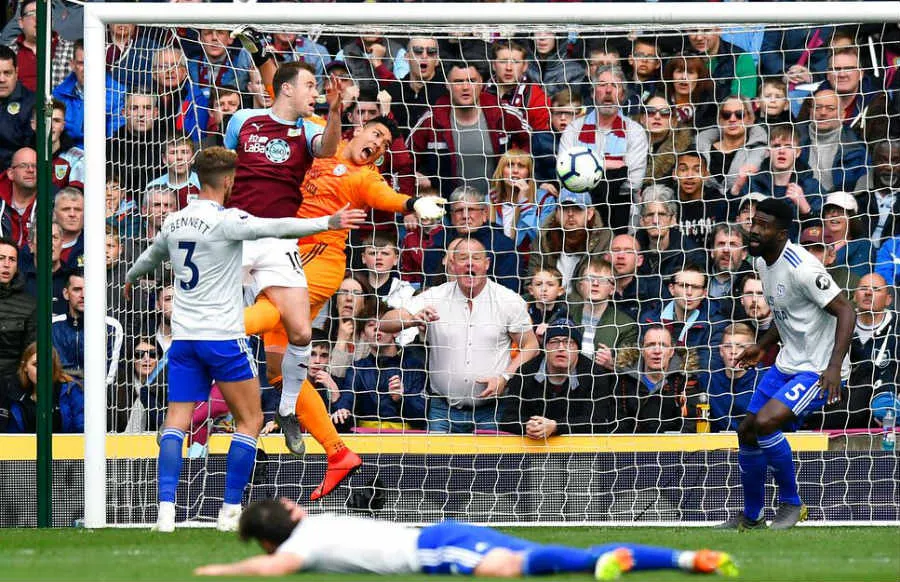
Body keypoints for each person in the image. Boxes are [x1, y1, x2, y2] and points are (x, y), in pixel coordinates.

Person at [123, 147, 366, 532]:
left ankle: (165, 513)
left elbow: (151, 257)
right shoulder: (228, 221)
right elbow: (278, 228)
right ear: (230, 182)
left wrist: (131, 277)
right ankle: (229, 511)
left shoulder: (174, 220)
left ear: (196, 179)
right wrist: (330, 221)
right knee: (249, 421)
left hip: (184, 341)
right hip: (222, 338)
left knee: (175, 423)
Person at [718, 198, 856, 530]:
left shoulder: (803, 267)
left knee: (766, 423)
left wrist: (834, 368)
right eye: (754, 223)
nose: (753, 231)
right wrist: (762, 346)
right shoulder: (764, 263)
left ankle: (793, 504)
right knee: (746, 432)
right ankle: (752, 516)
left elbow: (846, 311)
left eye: (763, 226)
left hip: (818, 369)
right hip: (787, 362)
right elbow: (788, 312)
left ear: (781, 233)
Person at [193, 497, 737, 579]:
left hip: (431, 549)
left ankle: (597, 566)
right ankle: (687, 558)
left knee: (507, 567)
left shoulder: (299, 547)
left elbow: (271, 568)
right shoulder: (311, 528)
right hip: (443, 532)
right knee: (534, 558)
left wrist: (215, 570)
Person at [381, 237, 539, 433]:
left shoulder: (508, 300)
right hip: (442, 411)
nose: (470, 264)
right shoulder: (434, 296)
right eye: (463, 258)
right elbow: (385, 323)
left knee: (491, 464)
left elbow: (531, 345)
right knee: (437, 464)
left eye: (476, 258)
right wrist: (413, 319)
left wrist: (505, 377)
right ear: (453, 265)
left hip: (492, 411)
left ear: (487, 264)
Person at [407, 61, 531, 197]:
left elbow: (532, 143)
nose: (465, 87)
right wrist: (418, 178)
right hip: (449, 209)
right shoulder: (431, 121)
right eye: (458, 81)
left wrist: (527, 174)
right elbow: (403, 161)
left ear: (481, 83)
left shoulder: (503, 114)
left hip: (497, 209)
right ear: (447, 85)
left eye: (471, 81)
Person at [559, 64, 648, 232]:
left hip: (621, 210)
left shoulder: (635, 132)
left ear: (622, 95)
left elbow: (633, 182)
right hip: (579, 210)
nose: (608, 90)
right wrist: (610, 166)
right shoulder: (573, 129)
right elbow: (565, 175)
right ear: (593, 93)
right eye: (601, 84)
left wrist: (586, 169)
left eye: (615, 85)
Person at [499, 319, 616, 437]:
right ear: (545, 347)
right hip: (533, 445)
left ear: (578, 349)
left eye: (568, 342)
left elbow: (598, 422)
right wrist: (529, 426)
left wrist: (556, 426)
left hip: (579, 448)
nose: (561, 348)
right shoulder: (526, 372)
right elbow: (507, 419)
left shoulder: (595, 374)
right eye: (554, 341)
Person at [613, 325, 701, 434]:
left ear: (672, 351)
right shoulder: (624, 379)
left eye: (663, 345)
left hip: (674, 448)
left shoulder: (686, 379)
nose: (657, 351)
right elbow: (619, 424)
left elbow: (689, 424)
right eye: (650, 345)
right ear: (642, 350)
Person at [3, 343, 83, 433]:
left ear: (54, 367)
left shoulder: (70, 391)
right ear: (25, 367)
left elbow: (83, 430)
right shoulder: (15, 395)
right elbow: (11, 438)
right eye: (36, 365)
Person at [0, 237, 34, 384]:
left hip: (12, 385)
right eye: (1, 258)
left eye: (12, 260)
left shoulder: (30, 305)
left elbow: (31, 353)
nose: (6, 265)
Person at [0, 46, 35, 172]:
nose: (1, 79)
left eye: (7, 73)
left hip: (15, 176)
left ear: (17, 73)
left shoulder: (32, 104)